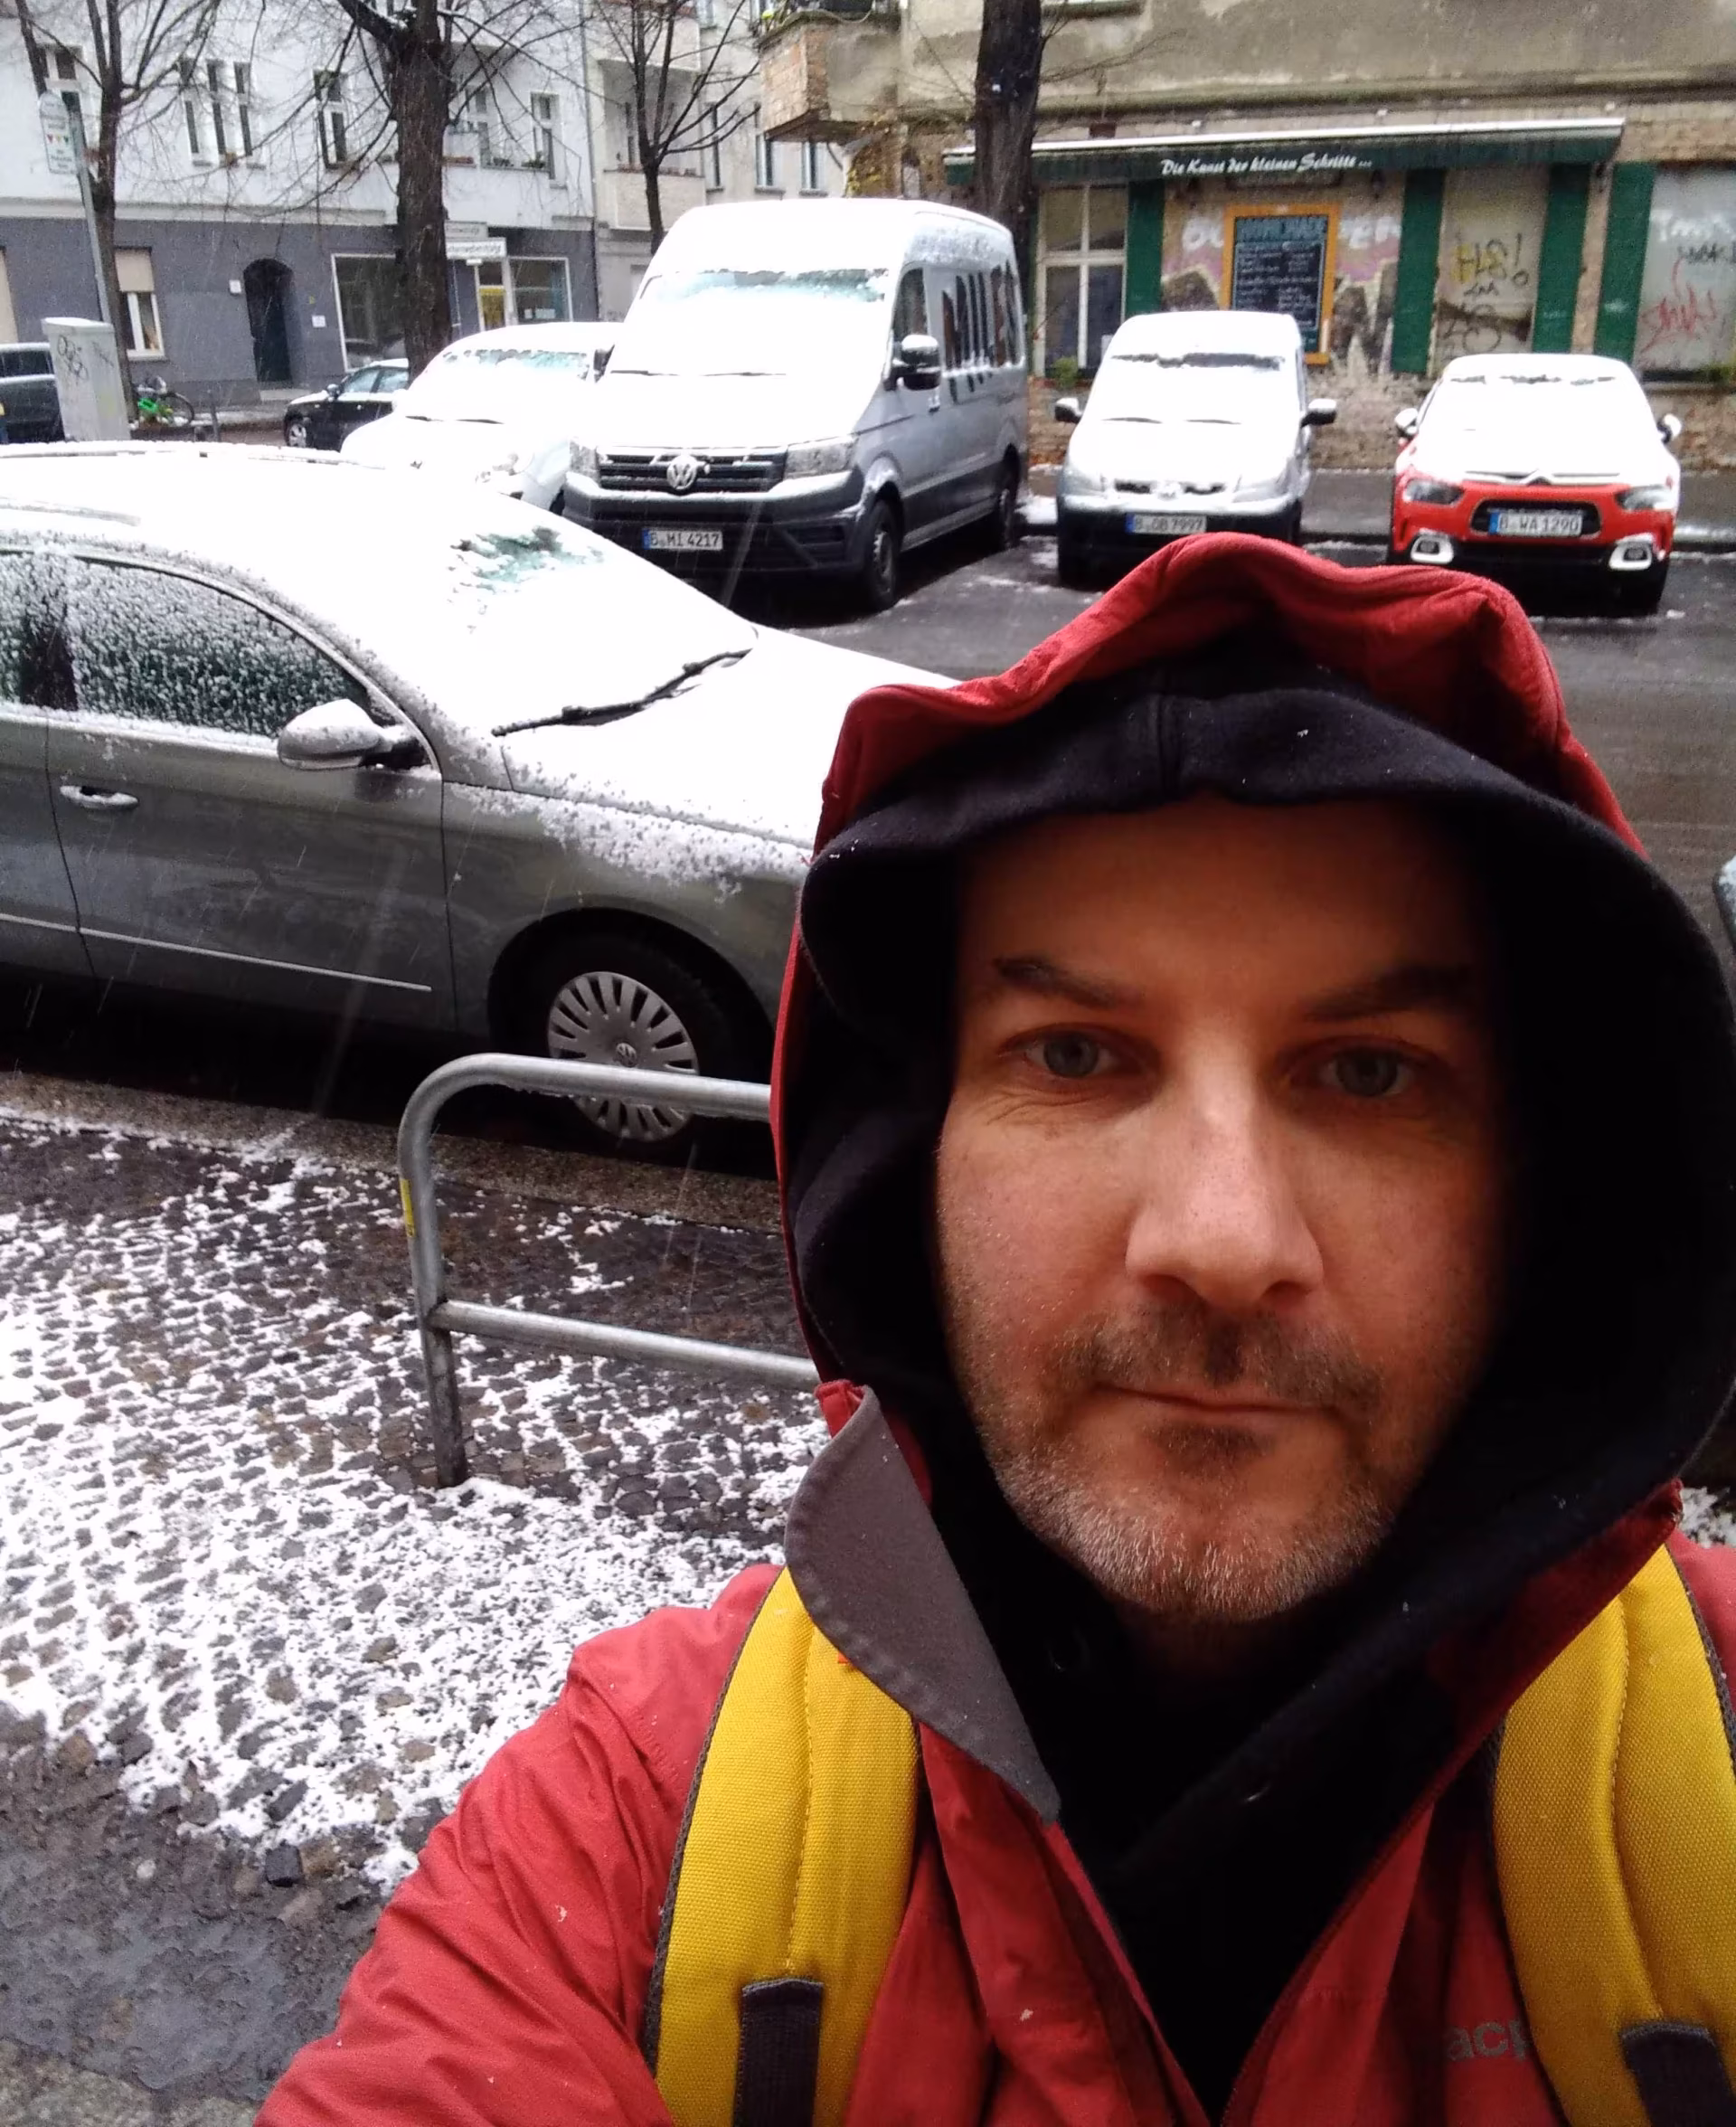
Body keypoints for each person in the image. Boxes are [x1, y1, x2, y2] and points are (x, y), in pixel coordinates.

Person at [261, 534, 1736, 2124]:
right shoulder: (641, 1835)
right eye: (1078, 1056)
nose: (1221, 1243)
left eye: (1370, 1073)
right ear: (915, 1162)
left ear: (1536, 1192)